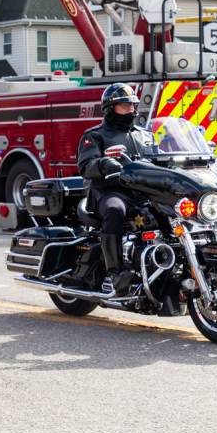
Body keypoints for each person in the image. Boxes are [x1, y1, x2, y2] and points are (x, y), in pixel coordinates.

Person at [77, 82, 152, 296]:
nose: (131, 110)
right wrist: (103, 164)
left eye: (133, 106)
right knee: (115, 210)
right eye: (125, 106)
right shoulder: (96, 135)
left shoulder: (144, 135)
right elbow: (85, 166)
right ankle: (116, 272)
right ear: (110, 108)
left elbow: (159, 160)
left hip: (143, 192)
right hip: (109, 192)